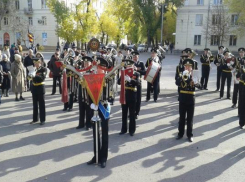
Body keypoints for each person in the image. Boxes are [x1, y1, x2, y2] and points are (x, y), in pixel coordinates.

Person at [118, 59, 140, 136]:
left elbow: (138, 83)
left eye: (130, 65)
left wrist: (130, 80)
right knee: (124, 114)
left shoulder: (136, 74)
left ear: (133, 66)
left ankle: (132, 130)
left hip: (132, 95)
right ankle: (123, 129)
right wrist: (122, 76)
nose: (129, 67)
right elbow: (118, 82)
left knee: (132, 114)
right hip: (125, 95)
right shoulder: (124, 73)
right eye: (128, 66)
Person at [176, 59, 196, 142]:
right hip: (183, 98)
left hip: (191, 98)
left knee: (190, 118)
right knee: (182, 117)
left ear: (191, 67)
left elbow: (200, 85)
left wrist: (194, 81)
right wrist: (182, 77)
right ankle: (180, 134)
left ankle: (189, 135)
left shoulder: (195, 74)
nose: (188, 67)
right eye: (186, 66)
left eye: (189, 66)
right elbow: (177, 82)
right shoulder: (181, 74)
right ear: (184, 67)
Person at [29, 58, 47, 125]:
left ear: (40, 63)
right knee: (35, 105)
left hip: (40, 87)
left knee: (41, 105)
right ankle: (35, 119)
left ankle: (42, 120)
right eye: (34, 63)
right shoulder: (33, 69)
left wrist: (34, 76)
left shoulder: (43, 69)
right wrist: (30, 76)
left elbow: (42, 78)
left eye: (37, 63)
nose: (35, 64)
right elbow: (30, 78)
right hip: (34, 88)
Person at [132, 51, 145, 119]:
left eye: (136, 57)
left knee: (138, 98)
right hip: (131, 83)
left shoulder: (141, 63)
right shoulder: (130, 63)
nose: (134, 58)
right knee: (132, 99)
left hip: (138, 83)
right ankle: (132, 112)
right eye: (133, 57)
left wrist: (137, 70)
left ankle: (137, 112)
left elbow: (144, 72)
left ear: (138, 57)